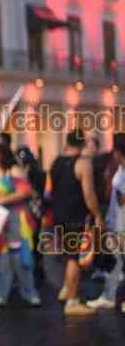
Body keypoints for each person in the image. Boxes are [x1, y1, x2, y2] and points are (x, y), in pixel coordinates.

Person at [50, 130, 104, 316]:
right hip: (75, 217)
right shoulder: (83, 164)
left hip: (58, 215)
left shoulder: (56, 162)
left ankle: (67, 290)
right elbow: (89, 195)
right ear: (82, 144)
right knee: (74, 259)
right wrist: (98, 215)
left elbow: (51, 189)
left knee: (68, 256)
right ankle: (72, 302)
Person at [0, 143, 41, 307]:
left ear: (1, 155)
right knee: (1, 260)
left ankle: (30, 293)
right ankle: (1, 295)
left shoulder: (13, 171)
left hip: (16, 220)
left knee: (21, 258)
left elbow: (25, 191)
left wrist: (2, 200)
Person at [87, 132, 125, 313]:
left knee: (116, 262)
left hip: (121, 226)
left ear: (118, 152)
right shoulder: (120, 170)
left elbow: (121, 200)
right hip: (115, 224)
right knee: (114, 263)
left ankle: (110, 296)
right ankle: (109, 296)